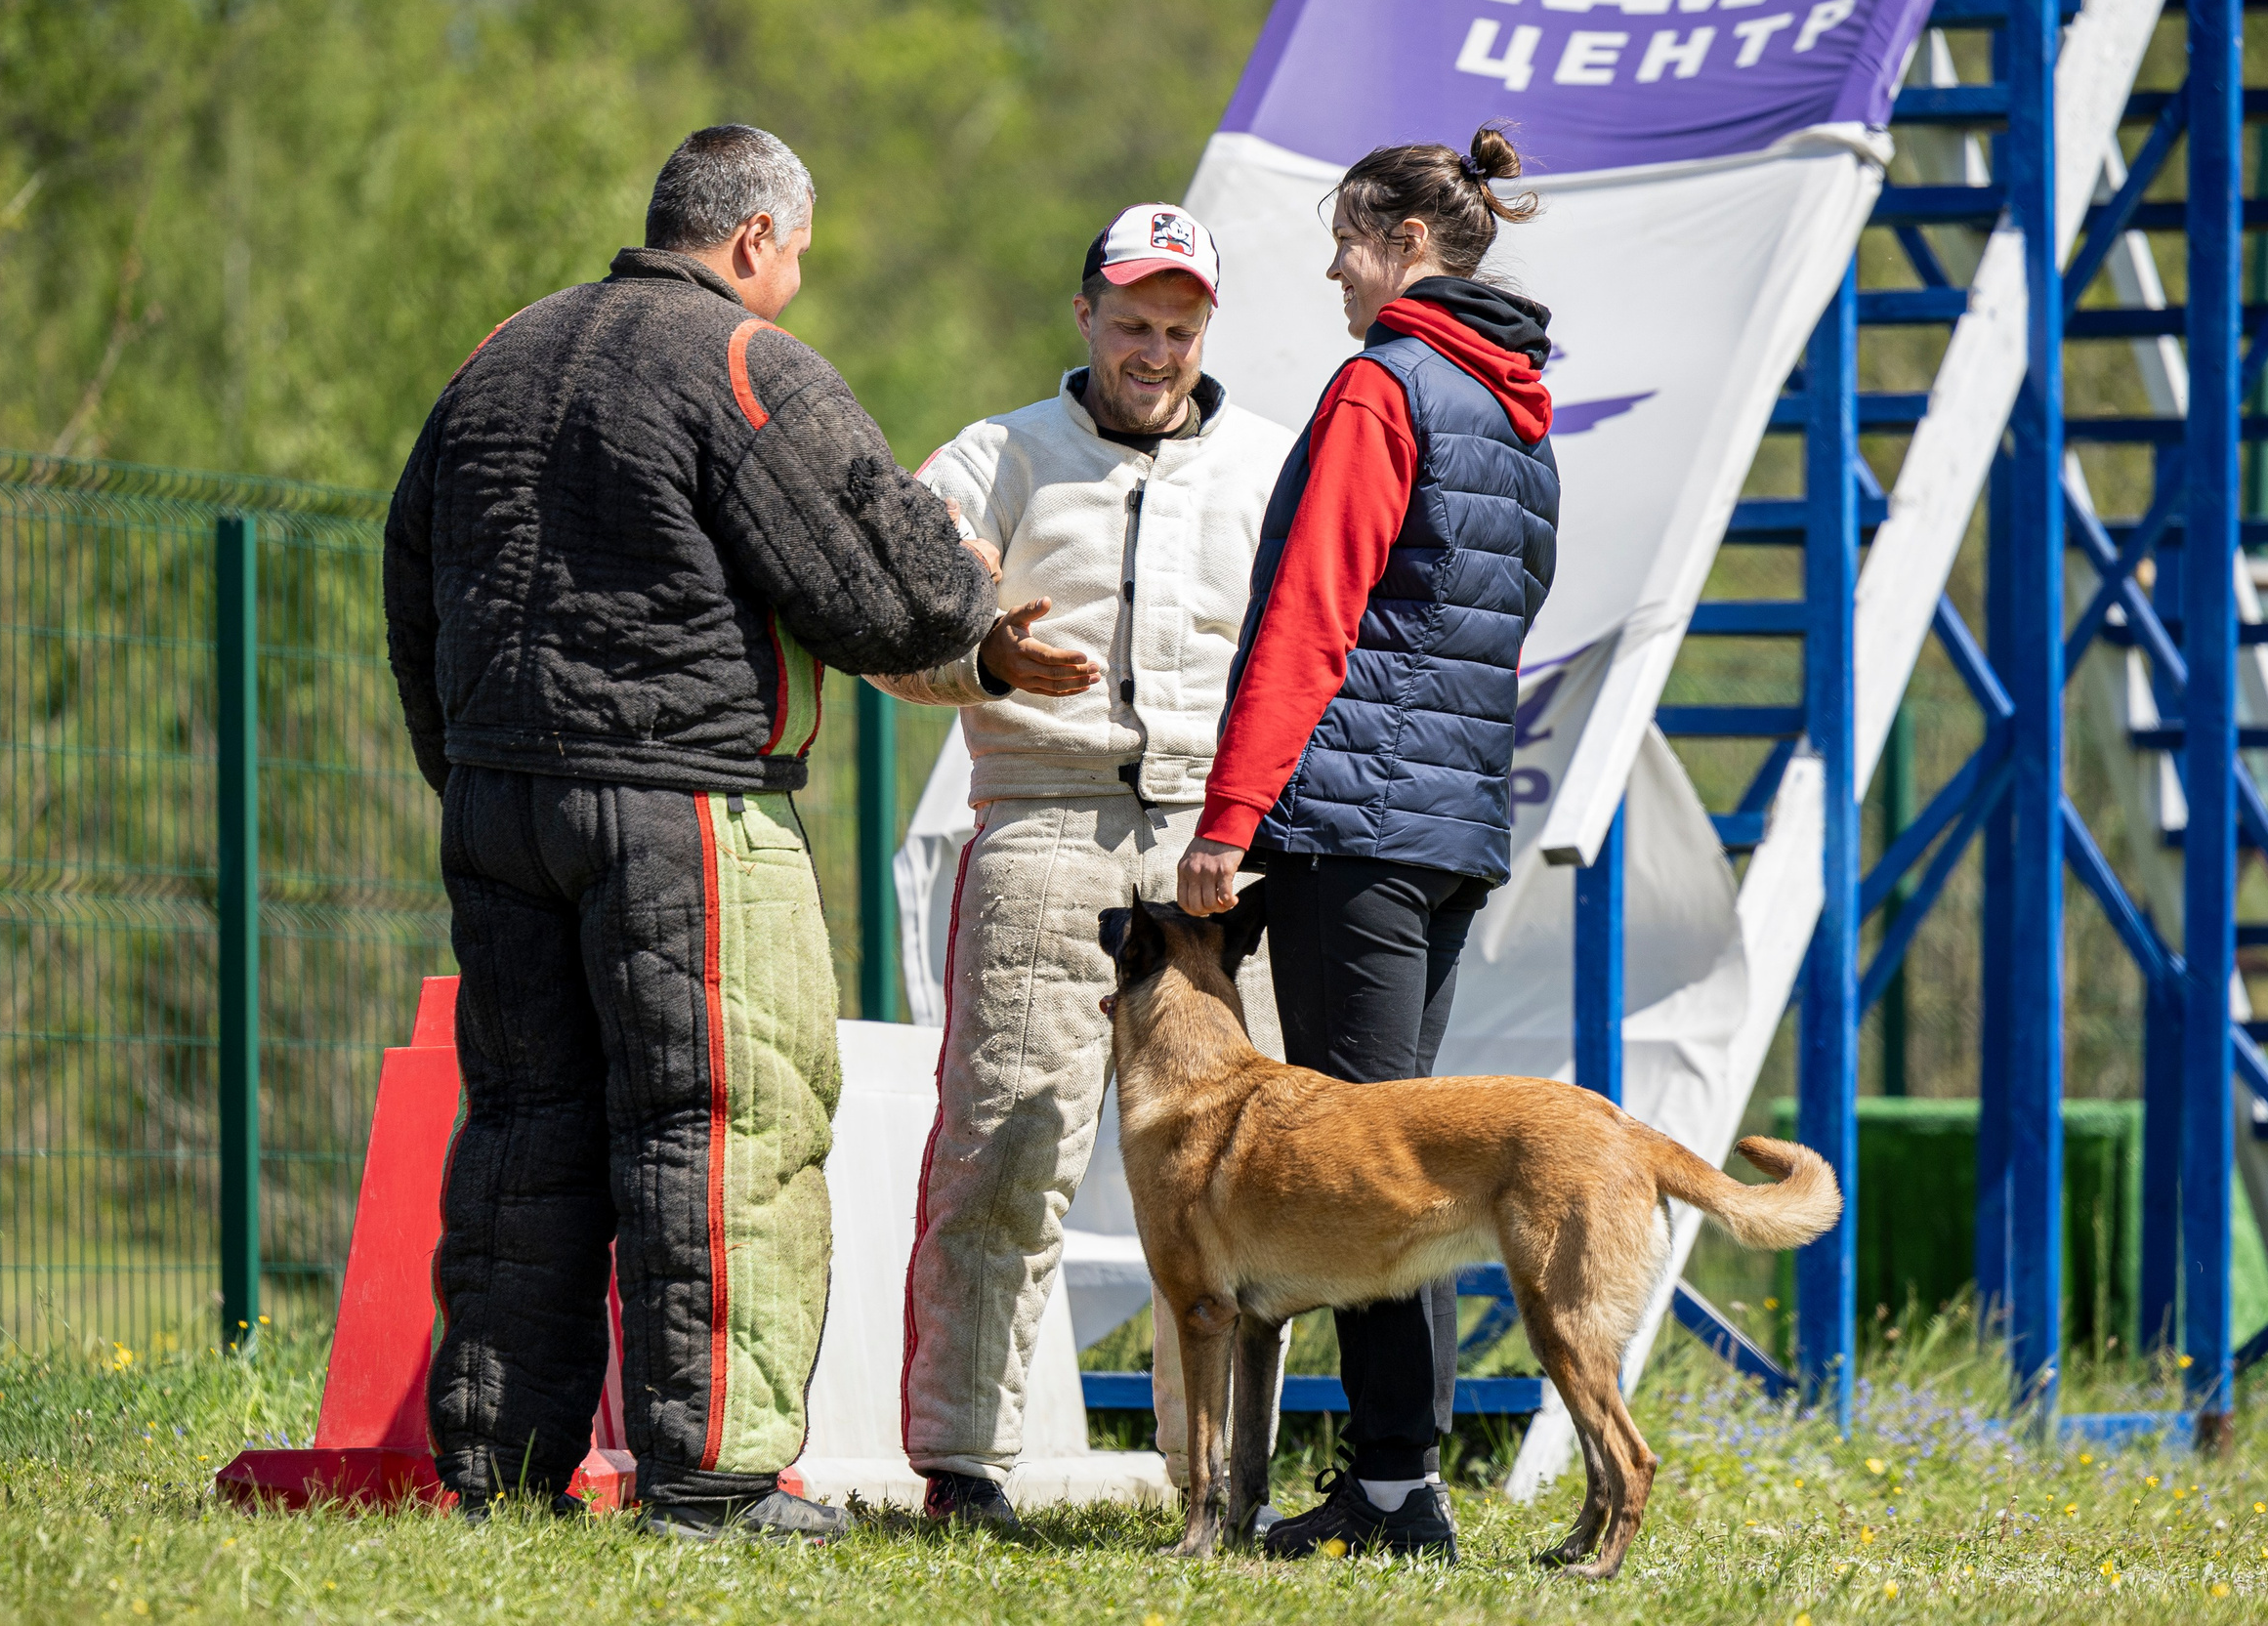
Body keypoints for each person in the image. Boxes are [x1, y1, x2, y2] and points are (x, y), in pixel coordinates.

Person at [383, 124, 996, 1542]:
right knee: (724, 1128)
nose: (796, 278)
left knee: (527, 1131)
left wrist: (462, 762)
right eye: (798, 253)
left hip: (494, 798)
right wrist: (967, 580)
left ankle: (496, 1470)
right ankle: (712, 1481)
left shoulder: (498, 354)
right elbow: (891, 599)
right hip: (683, 809)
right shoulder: (740, 363)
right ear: (753, 242)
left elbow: (409, 574)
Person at [1176, 129, 1560, 1561]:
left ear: (1406, 239)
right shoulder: (1518, 417)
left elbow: (1310, 619)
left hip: (1351, 830)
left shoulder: (1380, 387)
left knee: (1360, 1169)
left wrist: (1231, 825)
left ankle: (1394, 1493)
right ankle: (1396, 1480)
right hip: (1451, 826)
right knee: (1400, 1148)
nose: (1332, 266)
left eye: (1347, 236)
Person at [881, 205, 1294, 1523]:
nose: (1154, 351)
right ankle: (963, 1464)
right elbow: (889, 624)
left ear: (1207, 329)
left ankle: (1220, 1480)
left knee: (1245, 1170)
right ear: (1083, 316)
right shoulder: (995, 457)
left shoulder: (1270, 466)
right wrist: (988, 658)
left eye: (1179, 329)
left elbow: (1312, 649)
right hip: (1044, 819)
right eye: (1131, 324)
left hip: (1215, 847)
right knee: (1006, 1145)